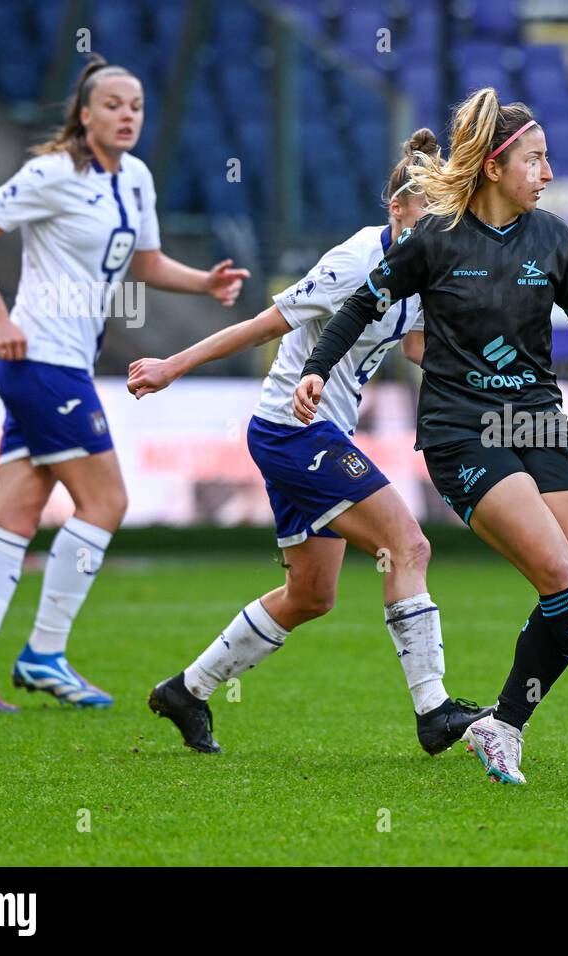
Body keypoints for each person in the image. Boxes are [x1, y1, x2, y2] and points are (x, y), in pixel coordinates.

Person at [292, 89, 568, 784]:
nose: (548, 172)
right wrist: (316, 370)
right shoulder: (433, 240)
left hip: (537, 421)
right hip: (461, 432)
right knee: (560, 577)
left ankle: (502, 725)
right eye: (536, 158)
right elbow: (358, 309)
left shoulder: (554, 238)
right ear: (495, 167)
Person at [127, 129, 491, 755]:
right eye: (427, 209)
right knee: (409, 545)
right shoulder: (355, 261)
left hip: (316, 434)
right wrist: (171, 367)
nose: (441, 224)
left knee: (311, 595)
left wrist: (488, 377)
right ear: (396, 208)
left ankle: (187, 690)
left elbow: (415, 346)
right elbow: (263, 324)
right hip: (293, 432)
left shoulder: (427, 269)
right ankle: (433, 709)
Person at [0, 56, 249, 711]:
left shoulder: (135, 178)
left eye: (135, 104)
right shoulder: (52, 174)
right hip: (38, 360)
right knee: (106, 503)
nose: (127, 114)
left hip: (65, 365)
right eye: (112, 104)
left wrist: (204, 282)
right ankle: (44, 652)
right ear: (84, 115)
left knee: (16, 515)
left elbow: (145, 261)